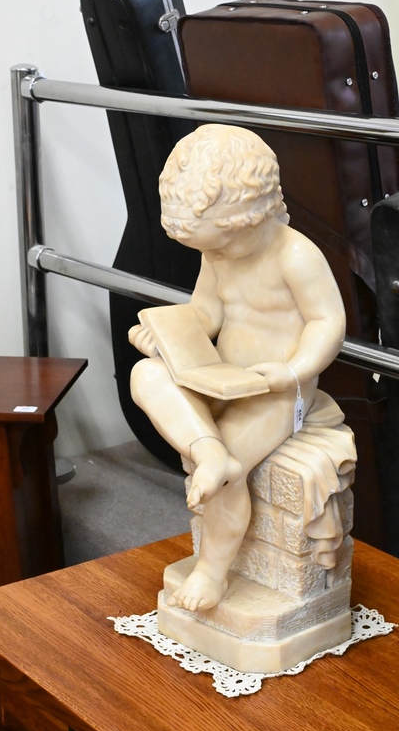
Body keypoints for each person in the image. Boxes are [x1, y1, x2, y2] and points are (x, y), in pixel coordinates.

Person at [129, 124, 346, 613]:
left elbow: (328, 323)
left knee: (231, 471)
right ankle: (208, 451)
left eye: (222, 246)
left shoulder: (295, 255)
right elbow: (206, 314)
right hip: (221, 376)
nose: (214, 257)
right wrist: (165, 337)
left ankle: (213, 570)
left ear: (254, 216)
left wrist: (292, 371)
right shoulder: (218, 251)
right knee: (145, 374)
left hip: (274, 393)